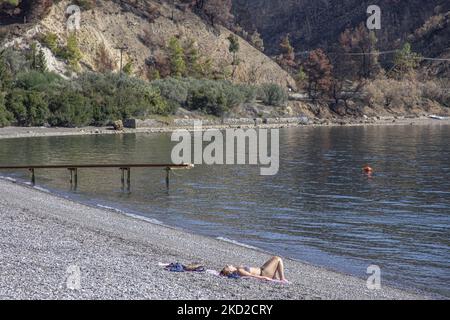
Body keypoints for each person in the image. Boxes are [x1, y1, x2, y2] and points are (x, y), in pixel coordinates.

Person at [220, 256, 287, 282]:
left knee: (274, 259)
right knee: (278, 259)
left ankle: (275, 276)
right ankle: (282, 278)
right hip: (264, 272)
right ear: (230, 271)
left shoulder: (237, 269)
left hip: (262, 269)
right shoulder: (239, 270)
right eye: (227, 267)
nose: (227, 265)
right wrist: (265, 278)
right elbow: (251, 276)